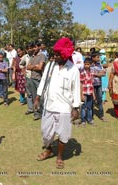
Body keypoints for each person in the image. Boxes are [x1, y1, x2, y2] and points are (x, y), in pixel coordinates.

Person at [35, 37, 80, 169]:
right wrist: (37, 97)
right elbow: (43, 81)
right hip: (49, 105)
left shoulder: (73, 70)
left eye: (57, 54)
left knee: (63, 134)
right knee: (45, 132)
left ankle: (59, 156)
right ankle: (49, 150)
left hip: (64, 108)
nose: (54, 56)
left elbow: (76, 89)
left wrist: (76, 107)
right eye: (54, 53)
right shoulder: (50, 66)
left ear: (65, 55)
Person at [27, 42, 46, 120]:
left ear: (38, 47)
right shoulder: (32, 56)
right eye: (32, 47)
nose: (33, 49)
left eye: (34, 47)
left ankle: (42, 112)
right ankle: (36, 113)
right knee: (34, 97)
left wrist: (33, 67)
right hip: (32, 79)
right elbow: (27, 67)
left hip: (40, 79)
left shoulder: (42, 56)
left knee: (41, 97)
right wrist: (35, 66)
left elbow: (40, 68)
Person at [79, 58, 95, 127]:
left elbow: (92, 84)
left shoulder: (91, 72)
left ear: (90, 65)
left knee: (89, 107)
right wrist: (81, 94)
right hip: (84, 93)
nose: (86, 65)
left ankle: (90, 119)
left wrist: (93, 94)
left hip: (90, 92)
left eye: (88, 64)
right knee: (83, 107)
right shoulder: (82, 73)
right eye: (85, 64)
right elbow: (81, 84)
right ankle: (83, 120)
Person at [91, 51, 106, 121]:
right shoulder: (89, 64)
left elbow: (103, 74)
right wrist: (98, 74)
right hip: (91, 85)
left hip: (98, 84)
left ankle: (101, 115)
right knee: (91, 100)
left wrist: (95, 74)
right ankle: (90, 116)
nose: (99, 58)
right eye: (97, 57)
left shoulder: (99, 64)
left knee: (100, 100)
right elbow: (89, 74)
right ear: (93, 58)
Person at [20, 44, 33, 114]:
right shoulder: (25, 57)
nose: (29, 50)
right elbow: (21, 64)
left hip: (36, 77)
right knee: (29, 94)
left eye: (31, 48)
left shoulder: (36, 56)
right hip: (28, 77)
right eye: (28, 48)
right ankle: (30, 108)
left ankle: (37, 109)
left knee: (36, 93)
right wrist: (24, 72)